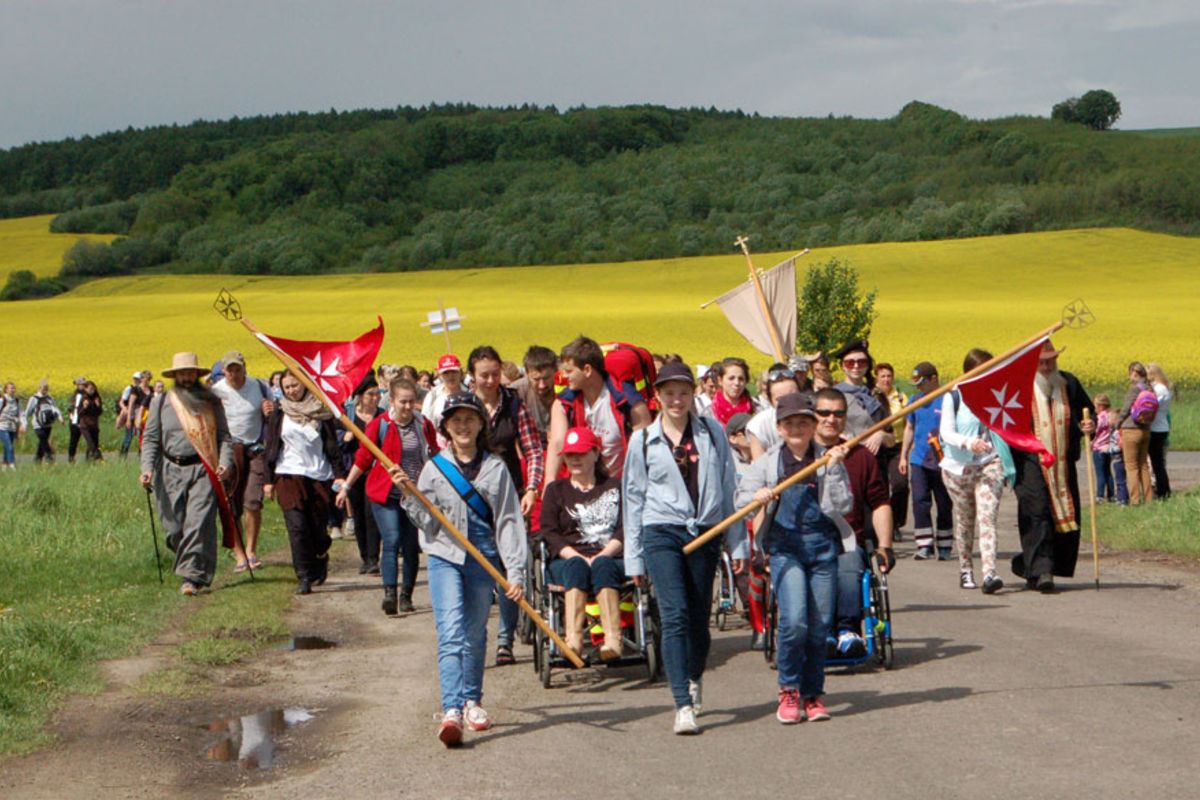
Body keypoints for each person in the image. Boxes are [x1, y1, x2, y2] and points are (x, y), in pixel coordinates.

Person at [389, 392, 527, 747]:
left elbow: (509, 522)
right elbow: (426, 522)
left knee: (475, 631)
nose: (463, 426)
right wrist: (408, 493)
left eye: (469, 419)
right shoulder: (434, 469)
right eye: (455, 420)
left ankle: (472, 701)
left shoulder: (497, 468)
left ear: (481, 424)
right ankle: (450, 710)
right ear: (445, 428)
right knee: (450, 631)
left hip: (484, 558)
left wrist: (516, 572)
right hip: (444, 556)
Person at [623, 362, 747, 735]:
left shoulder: (712, 432)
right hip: (661, 530)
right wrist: (634, 556)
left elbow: (730, 488)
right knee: (673, 615)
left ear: (693, 394)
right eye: (668, 393)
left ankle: (694, 678)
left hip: (706, 532)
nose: (676, 400)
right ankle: (681, 702)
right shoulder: (642, 440)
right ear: (657, 397)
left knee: (697, 617)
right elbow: (633, 498)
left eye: (683, 392)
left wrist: (738, 544)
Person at [738, 391, 851, 725]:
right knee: (795, 621)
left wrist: (832, 471)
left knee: (819, 628)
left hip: (822, 548)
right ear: (780, 428)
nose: (798, 428)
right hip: (785, 550)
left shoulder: (828, 459)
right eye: (790, 423)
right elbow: (740, 498)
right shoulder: (768, 464)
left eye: (804, 422)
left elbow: (843, 505)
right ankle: (788, 689)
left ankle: (812, 693)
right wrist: (757, 497)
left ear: (813, 425)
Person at [468, 345, 545, 666]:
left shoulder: (514, 405)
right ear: (472, 376)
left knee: (511, 568)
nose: (490, 380)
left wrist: (531, 489)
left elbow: (533, 450)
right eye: (483, 375)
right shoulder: (461, 405)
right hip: (470, 500)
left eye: (495, 374)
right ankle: (473, 638)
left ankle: (505, 640)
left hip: (510, 494)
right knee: (476, 573)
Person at [338, 378, 438, 614]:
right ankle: (390, 593)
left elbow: (434, 454)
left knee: (412, 546)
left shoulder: (423, 424)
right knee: (391, 540)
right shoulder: (380, 425)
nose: (406, 406)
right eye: (402, 401)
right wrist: (346, 487)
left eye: (411, 401)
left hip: (415, 494)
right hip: (386, 494)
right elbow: (363, 458)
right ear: (391, 400)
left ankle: (406, 595)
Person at [809, 388, 895, 655]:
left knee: (848, 565)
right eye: (823, 412)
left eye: (838, 413)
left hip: (847, 540)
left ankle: (847, 630)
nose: (830, 419)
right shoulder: (798, 455)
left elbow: (880, 503)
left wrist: (885, 546)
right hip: (806, 541)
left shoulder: (861, 457)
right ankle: (821, 633)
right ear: (812, 415)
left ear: (846, 417)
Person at [139, 352, 233, 595]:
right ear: (176, 376)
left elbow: (224, 436)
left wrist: (225, 462)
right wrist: (146, 469)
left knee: (198, 523)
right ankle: (195, 562)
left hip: (203, 468)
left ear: (197, 375)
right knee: (174, 528)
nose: (187, 377)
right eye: (183, 373)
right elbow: (150, 438)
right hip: (169, 471)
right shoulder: (162, 401)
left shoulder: (211, 401)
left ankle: (190, 578)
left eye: (191, 373)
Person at [1011, 340, 1095, 592]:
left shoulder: (1068, 383)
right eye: (1042, 362)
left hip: (1062, 463)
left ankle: (1034, 567)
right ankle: (1041, 570)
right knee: (1038, 512)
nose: (1047, 366)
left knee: (1063, 517)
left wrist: (1090, 426)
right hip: (1030, 462)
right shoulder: (1022, 386)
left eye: (1051, 361)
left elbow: (1087, 413)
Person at [540, 427, 625, 659]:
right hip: (569, 559)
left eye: (582, 453)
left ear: (596, 454)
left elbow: (625, 527)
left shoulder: (615, 486)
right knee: (576, 566)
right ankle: (574, 640)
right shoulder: (555, 490)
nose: (575, 459)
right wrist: (575, 556)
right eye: (570, 455)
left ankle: (612, 640)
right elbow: (549, 532)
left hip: (612, 555)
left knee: (602, 565)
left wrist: (604, 554)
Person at [263, 372, 347, 595]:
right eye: (287, 387)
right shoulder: (279, 410)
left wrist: (339, 474)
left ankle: (321, 554)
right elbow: (272, 444)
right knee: (297, 527)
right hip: (288, 474)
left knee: (317, 529)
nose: (292, 390)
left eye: (295, 385)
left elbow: (331, 444)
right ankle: (303, 576)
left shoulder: (320, 409)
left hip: (318, 474)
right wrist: (268, 480)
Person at [939, 350, 1014, 595]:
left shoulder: (995, 394)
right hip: (959, 467)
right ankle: (965, 567)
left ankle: (990, 572)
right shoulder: (954, 396)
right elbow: (946, 433)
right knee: (965, 519)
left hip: (989, 464)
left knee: (987, 517)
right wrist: (967, 442)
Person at [545, 335, 651, 486]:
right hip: (581, 486)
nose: (564, 376)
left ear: (587, 370)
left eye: (569, 371)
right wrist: (549, 485)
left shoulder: (630, 402)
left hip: (623, 485)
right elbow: (557, 443)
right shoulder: (563, 404)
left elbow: (645, 448)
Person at [211, 350, 275, 573]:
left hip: (255, 449)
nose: (234, 374)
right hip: (229, 451)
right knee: (231, 505)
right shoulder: (216, 392)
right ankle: (239, 556)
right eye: (230, 369)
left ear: (244, 367)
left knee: (253, 501)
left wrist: (270, 411)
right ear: (223, 371)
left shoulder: (258, 386)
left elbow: (274, 413)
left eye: (238, 368)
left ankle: (251, 551)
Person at [900, 362, 953, 559]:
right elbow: (909, 428)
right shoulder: (915, 400)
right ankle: (924, 544)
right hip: (919, 459)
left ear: (934, 379)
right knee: (920, 501)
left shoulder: (948, 399)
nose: (919, 388)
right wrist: (903, 455)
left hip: (943, 459)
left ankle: (945, 544)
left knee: (944, 502)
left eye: (922, 383)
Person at [338, 375, 384, 575]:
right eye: (371, 394)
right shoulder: (348, 416)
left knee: (372, 514)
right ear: (360, 396)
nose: (375, 398)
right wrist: (345, 437)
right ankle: (364, 556)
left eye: (377, 394)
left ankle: (374, 558)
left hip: (376, 472)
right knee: (358, 514)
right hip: (354, 472)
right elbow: (335, 441)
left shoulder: (382, 416)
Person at [832, 340, 892, 452]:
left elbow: (891, 439)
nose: (856, 366)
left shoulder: (877, 395)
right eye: (850, 363)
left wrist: (882, 435)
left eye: (862, 362)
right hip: (847, 458)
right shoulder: (833, 395)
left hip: (877, 460)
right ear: (842, 366)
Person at [875, 362, 909, 541]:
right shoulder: (871, 396)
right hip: (877, 448)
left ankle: (896, 523)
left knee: (900, 484)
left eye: (889, 376)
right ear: (876, 378)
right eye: (883, 376)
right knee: (880, 488)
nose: (886, 379)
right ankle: (882, 526)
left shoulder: (901, 398)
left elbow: (908, 424)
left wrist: (905, 453)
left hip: (896, 447)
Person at [746, 365, 803, 460]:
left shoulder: (815, 418)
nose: (788, 403)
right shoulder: (758, 425)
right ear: (770, 401)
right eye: (780, 399)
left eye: (792, 396)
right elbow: (760, 467)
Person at [1115, 362, 1154, 505]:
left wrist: (1117, 424)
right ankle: (1149, 498)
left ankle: (1135, 500)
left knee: (1131, 466)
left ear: (1134, 373)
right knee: (1143, 464)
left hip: (1131, 430)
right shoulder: (1150, 388)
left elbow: (1125, 410)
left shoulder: (1134, 390)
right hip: (1146, 429)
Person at [509, 345, 557, 445]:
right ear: (526, 373)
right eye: (536, 379)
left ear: (555, 371)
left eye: (546, 378)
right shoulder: (516, 391)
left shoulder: (566, 389)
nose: (542, 385)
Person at [421, 354, 465, 440]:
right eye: (446, 373)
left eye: (454, 372)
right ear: (440, 375)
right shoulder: (432, 396)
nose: (450, 376)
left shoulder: (469, 394)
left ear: (460, 372)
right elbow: (425, 422)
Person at [703, 357, 755, 429]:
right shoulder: (709, 414)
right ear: (720, 380)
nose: (736, 383)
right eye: (731, 378)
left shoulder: (756, 410)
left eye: (741, 379)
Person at [1146, 363, 1173, 500]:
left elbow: (1151, 406)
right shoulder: (1164, 388)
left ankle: (1163, 491)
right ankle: (1163, 489)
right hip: (1161, 426)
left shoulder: (1159, 389)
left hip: (1156, 427)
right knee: (1158, 462)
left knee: (1157, 462)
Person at [25, 380, 63, 463]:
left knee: (42, 443)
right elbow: (28, 411)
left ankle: (37, 460)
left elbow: (55, 408)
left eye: (46, 388)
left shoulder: (50, 398)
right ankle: (50, 457)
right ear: (39, 388)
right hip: (37, 424)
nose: (44, 390)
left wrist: (60, 417)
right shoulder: (33, 399)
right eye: (43, 388)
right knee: (44, 440)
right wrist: (24, 424)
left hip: (48, 424)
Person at [1091, 394, 1118, 503]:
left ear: (1101, 406)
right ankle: (1111, 494)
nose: (1095, 409)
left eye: (1095, 406)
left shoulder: (1100, 418)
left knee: (1100, 473)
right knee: (1108, 472)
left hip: (1098, 447)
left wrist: (1091, 441)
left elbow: (1096, 432)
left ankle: (1100, 495)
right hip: (1108, 447)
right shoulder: (1111, 416)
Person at [77, 381, 104, 461]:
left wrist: (98, 405)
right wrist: (84, 407)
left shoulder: (97, 398)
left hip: (94, 424)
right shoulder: (83, 398)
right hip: (85, 425)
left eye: (93, 389)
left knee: (95, 444)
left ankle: (88, 461)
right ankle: (99, 459)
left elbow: (99, 412)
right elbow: (79, 413)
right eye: (90, 389)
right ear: (86, 389)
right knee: (91, 444)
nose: (92, 390)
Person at [0, 382, 24, 469]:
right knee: (9, 445)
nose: (12, 389)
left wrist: (23, 425)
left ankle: (4, 465)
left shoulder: (16, 401)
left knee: (8, 446)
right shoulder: (2, 400)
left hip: (13, 427)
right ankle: (12, 464)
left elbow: (21, 413)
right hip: (2, 426)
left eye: (14, 388)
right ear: (6, 390)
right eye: (10, 388)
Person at [66, 377, 87, 462]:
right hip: (75, 421)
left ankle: (90, 457)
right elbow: (72, 408)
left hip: (84, 421)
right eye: (79, 384)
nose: (81, 386)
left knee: (90, 440)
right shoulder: (75, 395)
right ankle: (71, 457)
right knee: (73, 441)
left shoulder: (87, 395)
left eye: (82, 384)